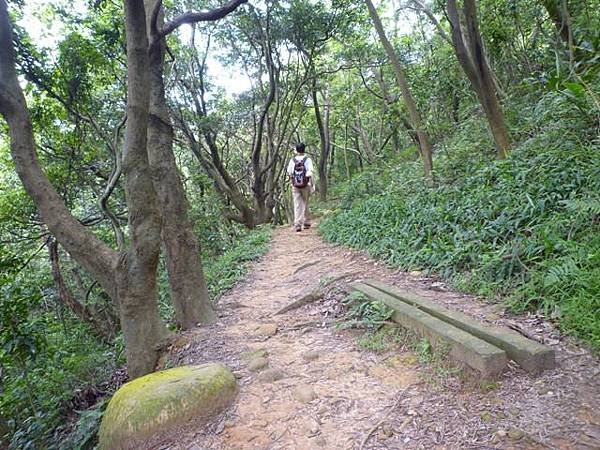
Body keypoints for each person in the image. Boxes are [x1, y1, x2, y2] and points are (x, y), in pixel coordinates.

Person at [287, 142, 314, 232]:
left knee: (297, 204)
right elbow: (310, 172)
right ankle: (306, 222)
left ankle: (297, 224)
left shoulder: (292, 160)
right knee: (305, 202)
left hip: (295, 185)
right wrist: (311, 183)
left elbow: (290, 173)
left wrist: (293, 182)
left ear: (296, 150)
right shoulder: (307, 160)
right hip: (306, 184)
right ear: (304, 149)